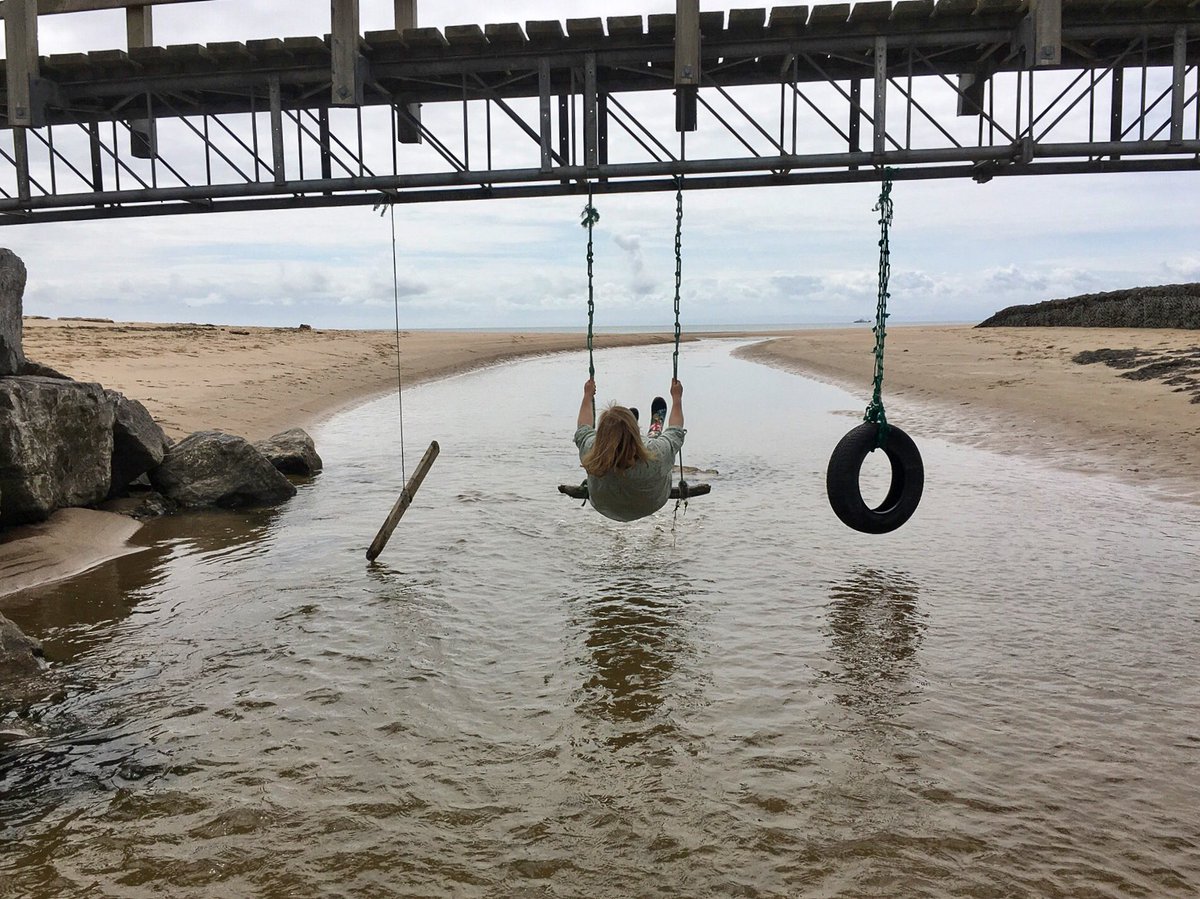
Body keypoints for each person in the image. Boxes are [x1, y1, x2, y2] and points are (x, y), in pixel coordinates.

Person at [573, 377, 686, 522]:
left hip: (603, 504)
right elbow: (676, 430)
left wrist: (587, 395)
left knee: (654, 448)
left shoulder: (591, 450)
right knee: (658, 449)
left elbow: (583, 427)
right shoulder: (658, 452)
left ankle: (629, 432)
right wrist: (677, 397)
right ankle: (648, 433)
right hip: (652, 503)